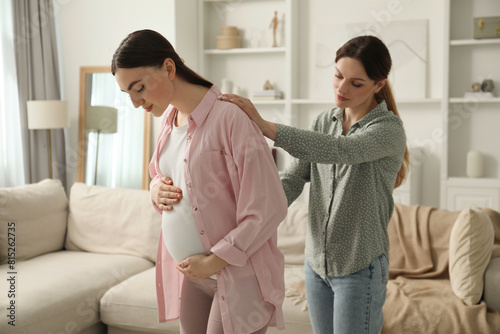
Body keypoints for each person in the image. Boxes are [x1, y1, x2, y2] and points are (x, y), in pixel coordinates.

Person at [164, 35, 409, 334]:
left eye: (356, 83)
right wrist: (253, 216)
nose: (342, 88)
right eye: (338, 76)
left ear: (378, 85)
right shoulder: (324, 121)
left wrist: (267, 127)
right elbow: (293, 178)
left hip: (360, 267)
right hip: (316, 266)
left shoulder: (388, 130)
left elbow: (340, 151)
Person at [111, 29, 288, 334]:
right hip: (194, 278)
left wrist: (216, 261)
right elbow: (160, 172)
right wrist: (156, 189)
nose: (136, 103)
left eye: (138, 88)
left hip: (235, 277)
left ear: (168, 68)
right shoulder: (169, 121)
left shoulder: (230, 119)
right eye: (128, 94)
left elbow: (269, 207)